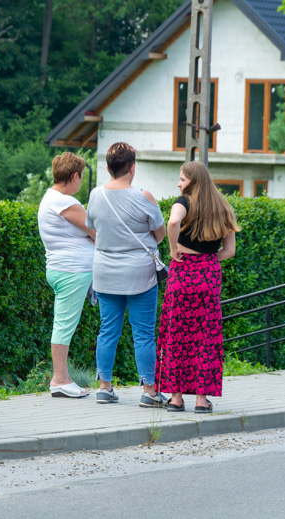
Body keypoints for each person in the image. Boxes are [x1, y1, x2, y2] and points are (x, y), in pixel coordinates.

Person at [85, 142, 167, 407]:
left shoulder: (96, 195)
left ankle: (104, 388)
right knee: (143, 333)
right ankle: (149, 391)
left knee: (108, 330)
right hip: (139, 274)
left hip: (105, 273)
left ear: (108, 168)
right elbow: (161, 234)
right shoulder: (144, 197)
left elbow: (92, 227)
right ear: (133, 167)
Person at [156, 162, 239, 413]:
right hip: (209, 275)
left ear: (193, 180)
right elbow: (230, 251)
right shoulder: (222, 206)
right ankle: (202, 401)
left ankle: (176, 398)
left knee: (177, 334)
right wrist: (209, 259)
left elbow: (172, 224)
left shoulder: (182, 202)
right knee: (206, 336)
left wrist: (173, 249)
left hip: (182, 272)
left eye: (182, 179)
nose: (179, 184)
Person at [37, 152, 95, 398]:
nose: (81, 182)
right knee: (64, 325)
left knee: (64, 323)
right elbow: (95, 230)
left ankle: (63, 378)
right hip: (71, 271)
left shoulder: (52, 198)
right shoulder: (65, 202)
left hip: (64, 269)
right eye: (81, 177)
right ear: (75, 176)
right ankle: (59, 379)